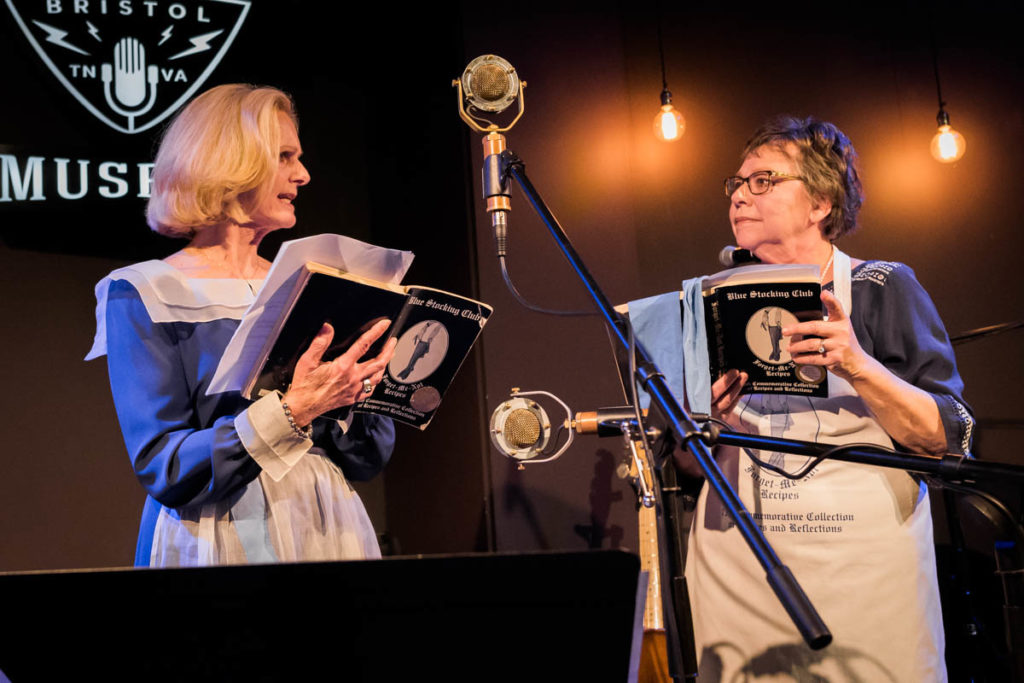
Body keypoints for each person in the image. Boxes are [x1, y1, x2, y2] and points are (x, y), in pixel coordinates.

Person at [682, 117, 973, 681]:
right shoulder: (704, 304)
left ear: (820, 201)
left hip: (863, 574)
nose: (740, 194)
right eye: (736, 184)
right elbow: (690, 466)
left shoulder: (882, 287)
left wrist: (857, 366)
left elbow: (950, 435)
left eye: (763, 180)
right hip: (740, 577)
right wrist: (706, 421)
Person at [86, 84, 397, 567]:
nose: (304, 174)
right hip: (218, 536)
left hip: (326, 524)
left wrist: (358, 392)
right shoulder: (146, 291)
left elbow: (365, 459)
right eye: (284, 156)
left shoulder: (312, 285)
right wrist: (292, 410)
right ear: (230, 162)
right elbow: (164, 466)